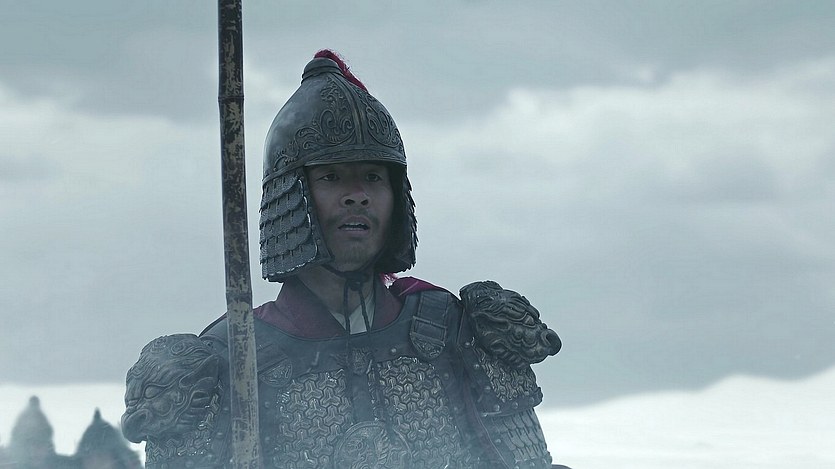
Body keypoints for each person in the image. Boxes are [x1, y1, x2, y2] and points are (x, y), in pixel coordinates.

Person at [121, 50, 565, 469]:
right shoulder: (227, 364)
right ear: (291, 197)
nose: (358, 195)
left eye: (372, 176)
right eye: (332, 177)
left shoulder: (457, 332)